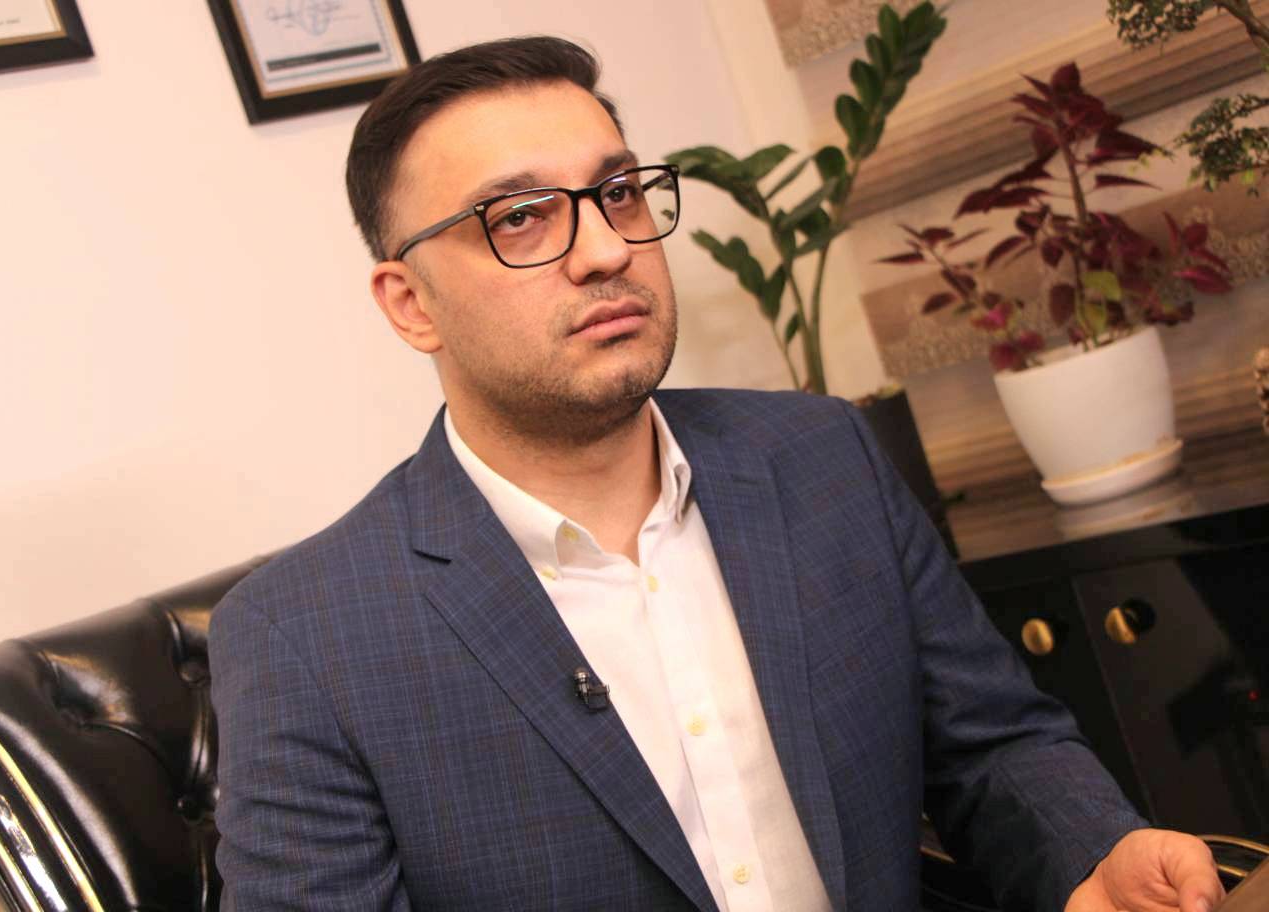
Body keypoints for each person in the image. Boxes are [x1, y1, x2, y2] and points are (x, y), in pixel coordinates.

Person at [209, 35, 1226, 912]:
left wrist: (1091, 855)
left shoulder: (823, 458)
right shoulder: (304, 637)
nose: (605, 250)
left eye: (618, 193)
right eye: (519, 218)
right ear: (410, 303)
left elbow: (991, 745)